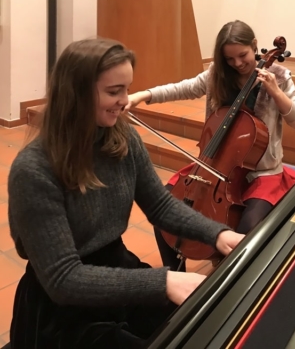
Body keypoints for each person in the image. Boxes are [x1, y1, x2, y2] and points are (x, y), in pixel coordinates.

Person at [7, 38, 244, 349]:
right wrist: (164, 281)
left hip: (116, 267)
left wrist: (218, 235)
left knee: (199, 324)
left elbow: (160, 205)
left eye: (127, 88)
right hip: (62, 308)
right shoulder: (34, 170)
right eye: (113, 91)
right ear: (76, 93)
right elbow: (63, 279)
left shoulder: (124, 138)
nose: (125, 100)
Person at [126, 20, 295, 270]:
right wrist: (141, 96)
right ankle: (173, 278)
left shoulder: (278, 76)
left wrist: (276, 92)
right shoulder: (217, 74)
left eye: (242, 55)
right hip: (215, 167)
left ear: (254, 45)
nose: (237, 64)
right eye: (229, 59)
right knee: (163, 218)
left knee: (247, 233)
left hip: (261, 173)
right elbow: (183, 88)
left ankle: (230, 285)